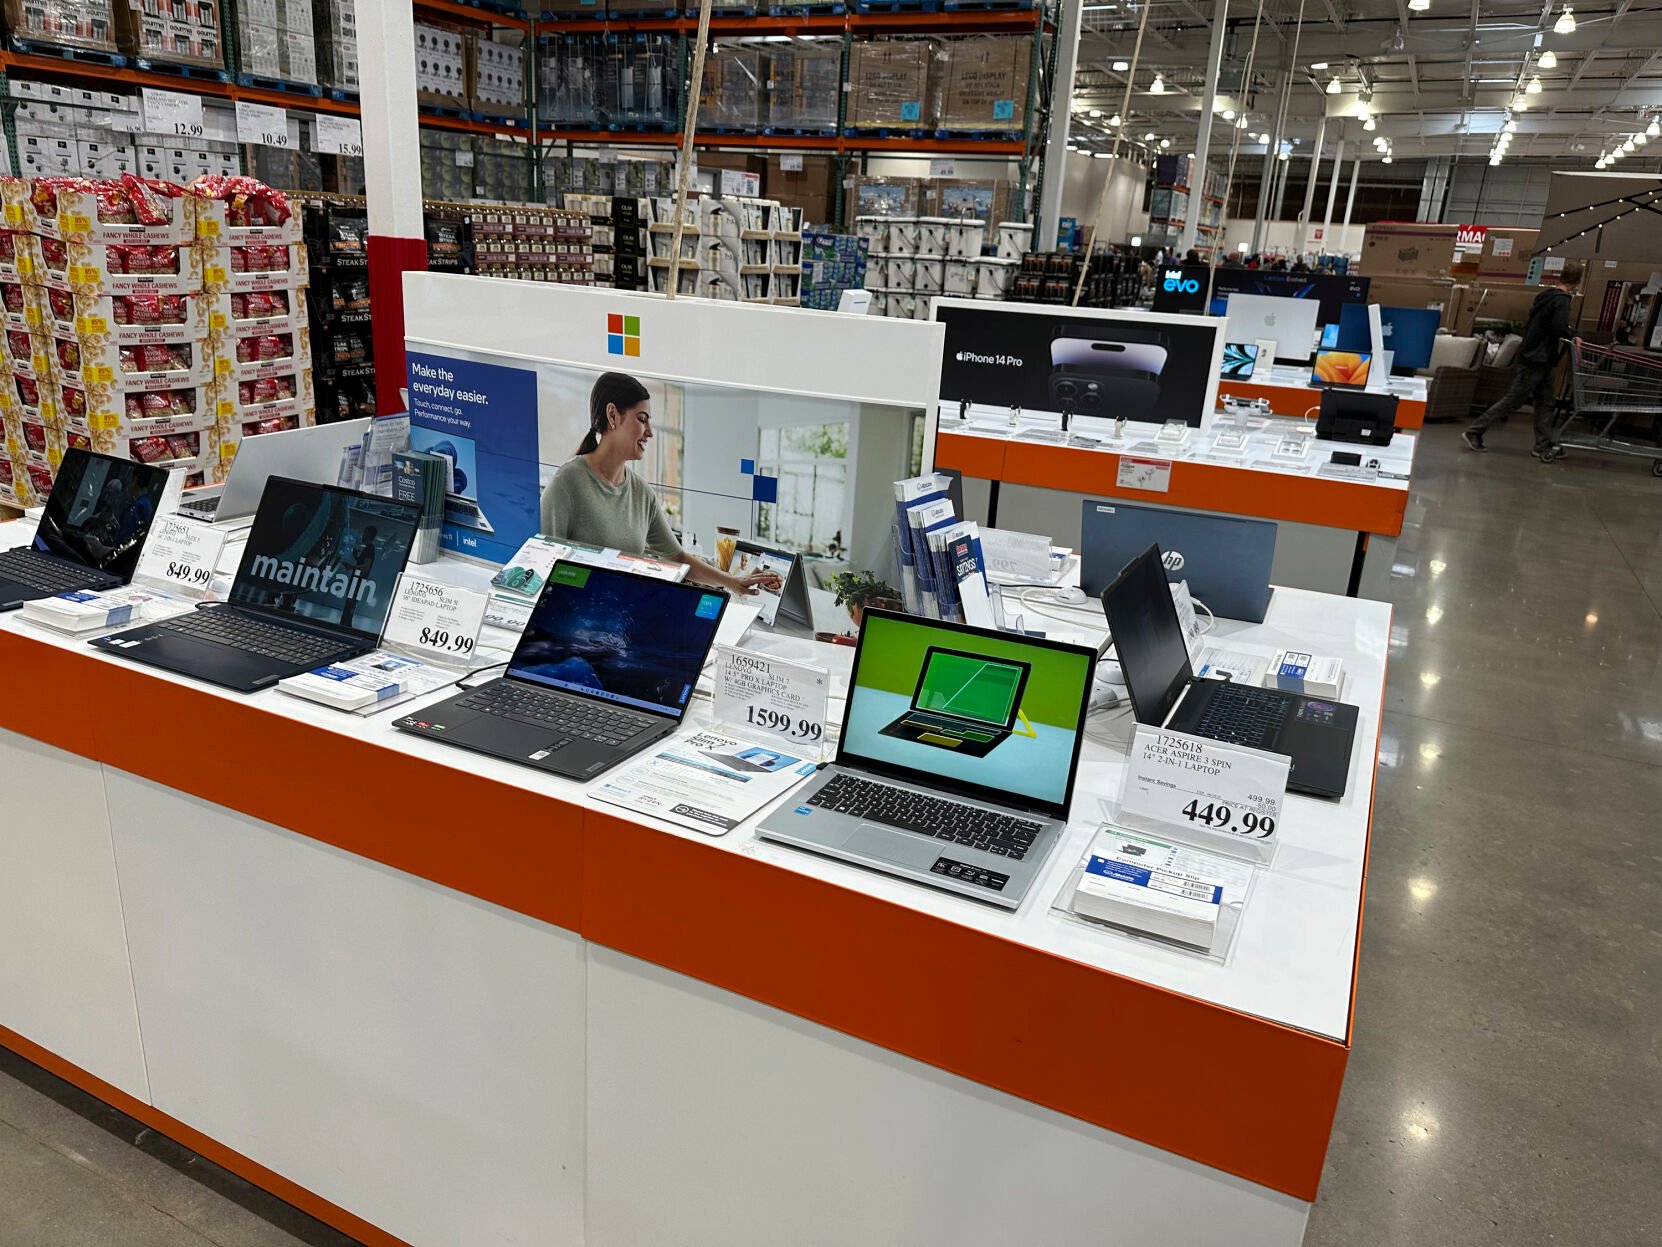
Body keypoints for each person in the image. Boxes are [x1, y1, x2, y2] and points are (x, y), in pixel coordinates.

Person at [541, 371, 781, 596]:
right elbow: (544, 562)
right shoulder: (568, 482)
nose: (649, 432)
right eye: (642, 419)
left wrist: (733, 583)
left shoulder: (641, 494)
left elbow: (677, 558)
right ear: (613, 415)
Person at [1463, 262, 1582, 458]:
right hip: (1539, 357)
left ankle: (1543, 444)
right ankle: (1474, 430)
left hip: (1537, 356)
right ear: (1577, 281)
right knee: (1515, 399)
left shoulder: (1545, 297)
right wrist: (1574, 334)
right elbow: (1558, 326)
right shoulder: (1562, 300)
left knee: (1545, 401)